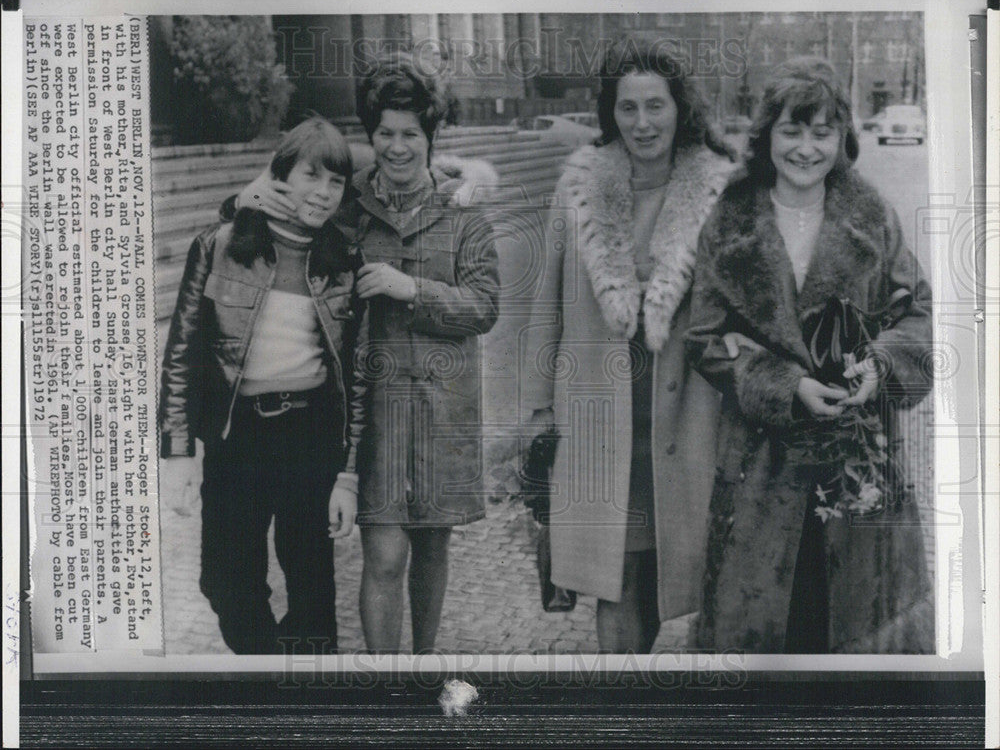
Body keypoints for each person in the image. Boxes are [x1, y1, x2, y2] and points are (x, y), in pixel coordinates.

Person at [230, 54, 500, 653]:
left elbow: (485, 306)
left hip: (442, 412)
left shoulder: (463, 213)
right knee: (384, 555)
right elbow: (264, 197)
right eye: (384, 133)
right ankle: (385, 685)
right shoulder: (348, 205)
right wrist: (254, 192)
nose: (397, 147)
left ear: (432, 136)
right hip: (370, 415)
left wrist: (414, 290)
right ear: (369, 135)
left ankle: (423, 666)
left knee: (432, 546)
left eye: (411, 134)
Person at [685, 57, 934, 653]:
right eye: (791, 131)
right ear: (767, 135)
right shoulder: (731, 220)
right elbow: (704, 337)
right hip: (760, 467)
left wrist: (878, 366)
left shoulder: (871, 217)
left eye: (821, 132)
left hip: (860, 462)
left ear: (842, 139)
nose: (805, 148)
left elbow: (918, 314)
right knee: (772, 625)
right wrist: (782, 383)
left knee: (854, 628)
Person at [520, 39, 735, 653]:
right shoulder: (580, 189)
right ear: (610, 112)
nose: (643, 123)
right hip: (599, 418)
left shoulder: (718, 192)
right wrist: (539, 411)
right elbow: (547, 303)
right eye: (628, 108)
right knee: (615, 583)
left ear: (680, 107)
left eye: (656, 106)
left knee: (682, 573)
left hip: (688, 416)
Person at [158, 116, 367, 655]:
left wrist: (346, 474)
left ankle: (304, 712)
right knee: (226, 583)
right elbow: (182, 351)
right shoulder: (220, 245)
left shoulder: (343, 262)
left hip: (309, 436)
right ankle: (274, 676)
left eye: (335, 182)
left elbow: (355, 376)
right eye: (311, 175)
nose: (322, 192)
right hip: (237, 438)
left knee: (312, 594)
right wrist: (178, 452)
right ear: (279, 176)